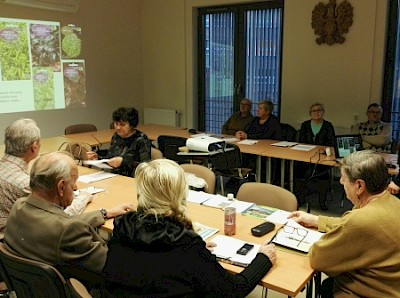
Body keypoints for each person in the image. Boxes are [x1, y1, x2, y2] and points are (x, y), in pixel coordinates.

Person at [101, 159, 277, 297]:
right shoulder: (186, 245)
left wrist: (198, 252)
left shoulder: (123, 227)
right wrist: (263, 259)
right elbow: (233, 290)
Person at [4, 152, 133, 286]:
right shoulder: (68, 232)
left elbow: (61, 223)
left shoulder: (19, 207)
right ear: (61, 187)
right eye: (73, 183)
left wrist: (104, 213)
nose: (76, 187)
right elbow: (113, 266)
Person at [288, 150, 400, 297]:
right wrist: (317, 220)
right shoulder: (392, 202)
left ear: (359, 186)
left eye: (343, 178)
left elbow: (318, 258)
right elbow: (349, 225)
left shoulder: (361, 220)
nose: (340, 182)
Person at [0, 118, 90, 241]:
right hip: (18, 243)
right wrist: (84, 197)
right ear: (34, 147)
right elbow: (58, 219)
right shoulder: (25, 184)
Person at [86, 107, 151, 176]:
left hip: (132, 178)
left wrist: (123, 162)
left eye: (122, 125)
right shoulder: (116, 136)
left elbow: (145, 166)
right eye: (116, 124)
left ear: (132, 125)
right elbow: (110, 157)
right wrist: (98, 158)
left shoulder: (141, 139)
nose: (118, 128)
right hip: (113, 175)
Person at [295, 103, 336, 210]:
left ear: (323, 112)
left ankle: (322, 201)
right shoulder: (305, 125)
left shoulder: (328, 125)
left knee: (322, 173)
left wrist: (323, 150)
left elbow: (332, 143)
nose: (317, 113)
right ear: (310, 113)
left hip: (322, 157)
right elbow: (301, 142)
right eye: (314, 111)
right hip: (305, 156)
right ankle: (300, 198)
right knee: (299, 170)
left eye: (319, 110)